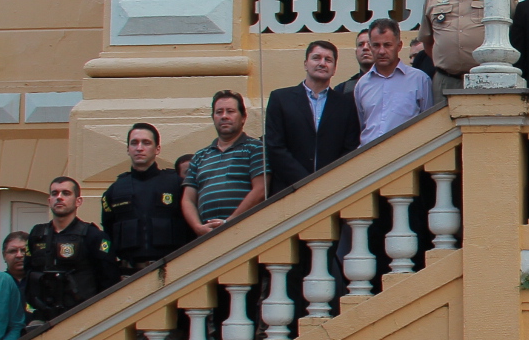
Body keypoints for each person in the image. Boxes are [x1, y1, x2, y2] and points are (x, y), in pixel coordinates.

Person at [264, 41, 361, 196]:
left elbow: (350, 148)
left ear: (334, 69)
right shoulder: (280, 99)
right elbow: (275, 146)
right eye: (317, 58)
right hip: (289, 190)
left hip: (330, 191)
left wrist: (325, 181)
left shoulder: (347, 104)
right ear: (305, 64)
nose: (322, 63)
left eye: (328, 60)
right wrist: (305, 181)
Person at [22, 176, 118, 326]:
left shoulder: (93, 236)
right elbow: (28, 272)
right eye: (55, 194)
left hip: (80, 316)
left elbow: (108, 279)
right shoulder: (37, 235)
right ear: (49, 201)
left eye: (66, 193)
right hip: (44, 317)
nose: (59, 198)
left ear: (78, 201)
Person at [102, 122, 190, 276]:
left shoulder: (176, 184)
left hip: (171, 272)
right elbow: (108, 231)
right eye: (134, 143)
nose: (139, 148)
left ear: (157, 149)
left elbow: (191, 226)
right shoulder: (115, 190)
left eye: (146, 143)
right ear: (128, 149)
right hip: (129, 274)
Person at [184, 91, 268, 234]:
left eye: (230, 111)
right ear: (213, 118)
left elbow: (261, 189)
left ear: (243, 117)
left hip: (244, 231)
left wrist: (230, 221)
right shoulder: (200, 156)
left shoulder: (256, 148)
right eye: (219, 112)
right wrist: (198, 228)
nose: (224, 116)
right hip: (207, 235)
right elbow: (188, 199)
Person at [354, 18, 434, 141]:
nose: (381, 51)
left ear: (399, 46)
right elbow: (362, 125)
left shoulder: (419, 80)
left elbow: (428, 125)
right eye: (376, 45)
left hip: (406, 156)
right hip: (369, 156)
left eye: (387, 45)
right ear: (370, 46)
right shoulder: (362, 84)